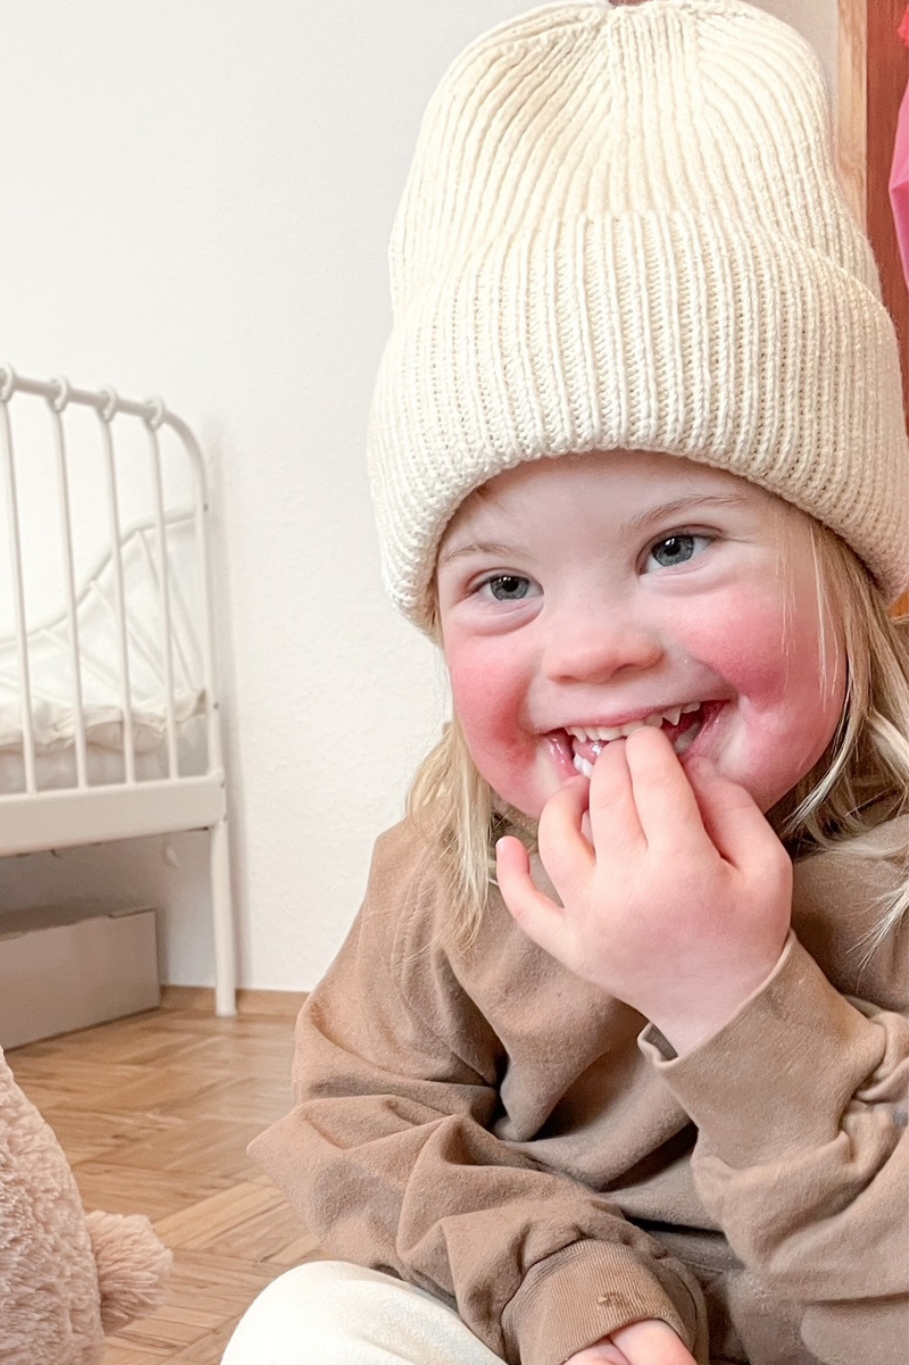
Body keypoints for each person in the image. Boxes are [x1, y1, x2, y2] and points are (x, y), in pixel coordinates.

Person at [220, 3, 909, 1364]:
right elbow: (364, 1121)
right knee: (309, 1321)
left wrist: (733, 1000)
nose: (589, 651)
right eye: (504, 585)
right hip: (567, 1322)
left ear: (848, 562)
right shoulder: (452, 867)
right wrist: (559, 1279)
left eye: (676, 546)